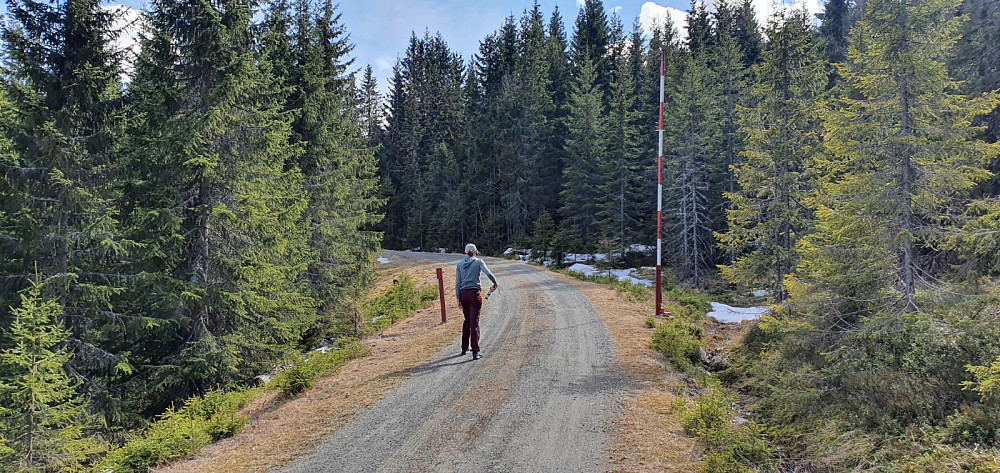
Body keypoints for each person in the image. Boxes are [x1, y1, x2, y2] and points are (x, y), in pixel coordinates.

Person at [456, 243, 498, 360]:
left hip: (464, 294)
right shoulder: (479, 262)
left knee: (467, 320)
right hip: (474, 294)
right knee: (474, 322)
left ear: (465, 252)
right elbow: (488, 273)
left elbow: (457, 283)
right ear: (475, 252)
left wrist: (458, 298)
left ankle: (464, 348)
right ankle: (475, 351)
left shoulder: (459, 265)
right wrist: (495, 283)